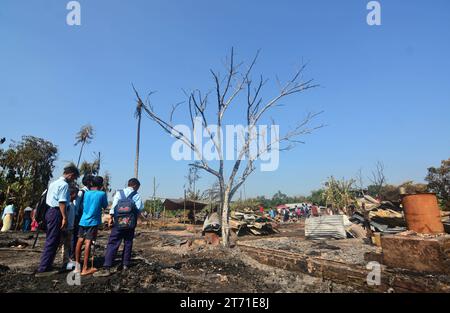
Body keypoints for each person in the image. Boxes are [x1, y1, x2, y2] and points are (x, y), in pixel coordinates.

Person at [35, 165, 79, 277]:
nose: (73, 180)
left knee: (53, 240)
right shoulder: (64, 185)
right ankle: (43, 268)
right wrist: (64, 217)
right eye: (74, 178)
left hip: (49, 212)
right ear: (71, 175)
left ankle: (47, 265)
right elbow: (62, 202)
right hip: (56, 212)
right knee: (52, 240)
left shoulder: (53, 183)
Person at [94, 178, 143, 277]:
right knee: (128, 243)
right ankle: (125, 264)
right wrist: (135, 220)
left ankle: (107, 266)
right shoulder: (136, 195)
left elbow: (113, 207)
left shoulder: (119, 193)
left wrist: (111, 219)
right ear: (135, 186)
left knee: (113, 243)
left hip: (118, 223)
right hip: (130, 224)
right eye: (137, 187)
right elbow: (138, 210)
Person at [75, 176, 108, 276]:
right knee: (88, 242)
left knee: (80, 241)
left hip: (83, 220)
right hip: (93, 221)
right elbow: (105, 205)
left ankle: (77, 267)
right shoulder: (102, 194)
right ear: (101, 185)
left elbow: (84, 205)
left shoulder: (87, 193)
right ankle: (85, 268)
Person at [71, 174, 93, 261]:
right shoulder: (82, 192)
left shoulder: (88, 192)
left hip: (84, 218)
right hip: (79, 218)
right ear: (88, 182)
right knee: (76, 238)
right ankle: (73, 257)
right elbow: (76, 206)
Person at [61, 185, 79, 271]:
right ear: (72, 194)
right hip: (66, 228)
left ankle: (66, 262)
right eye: (76, 194)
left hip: (70, 228)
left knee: (67, 246)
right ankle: (65, 263)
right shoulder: (68, 204)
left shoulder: (72, 204)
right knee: (65, 247)